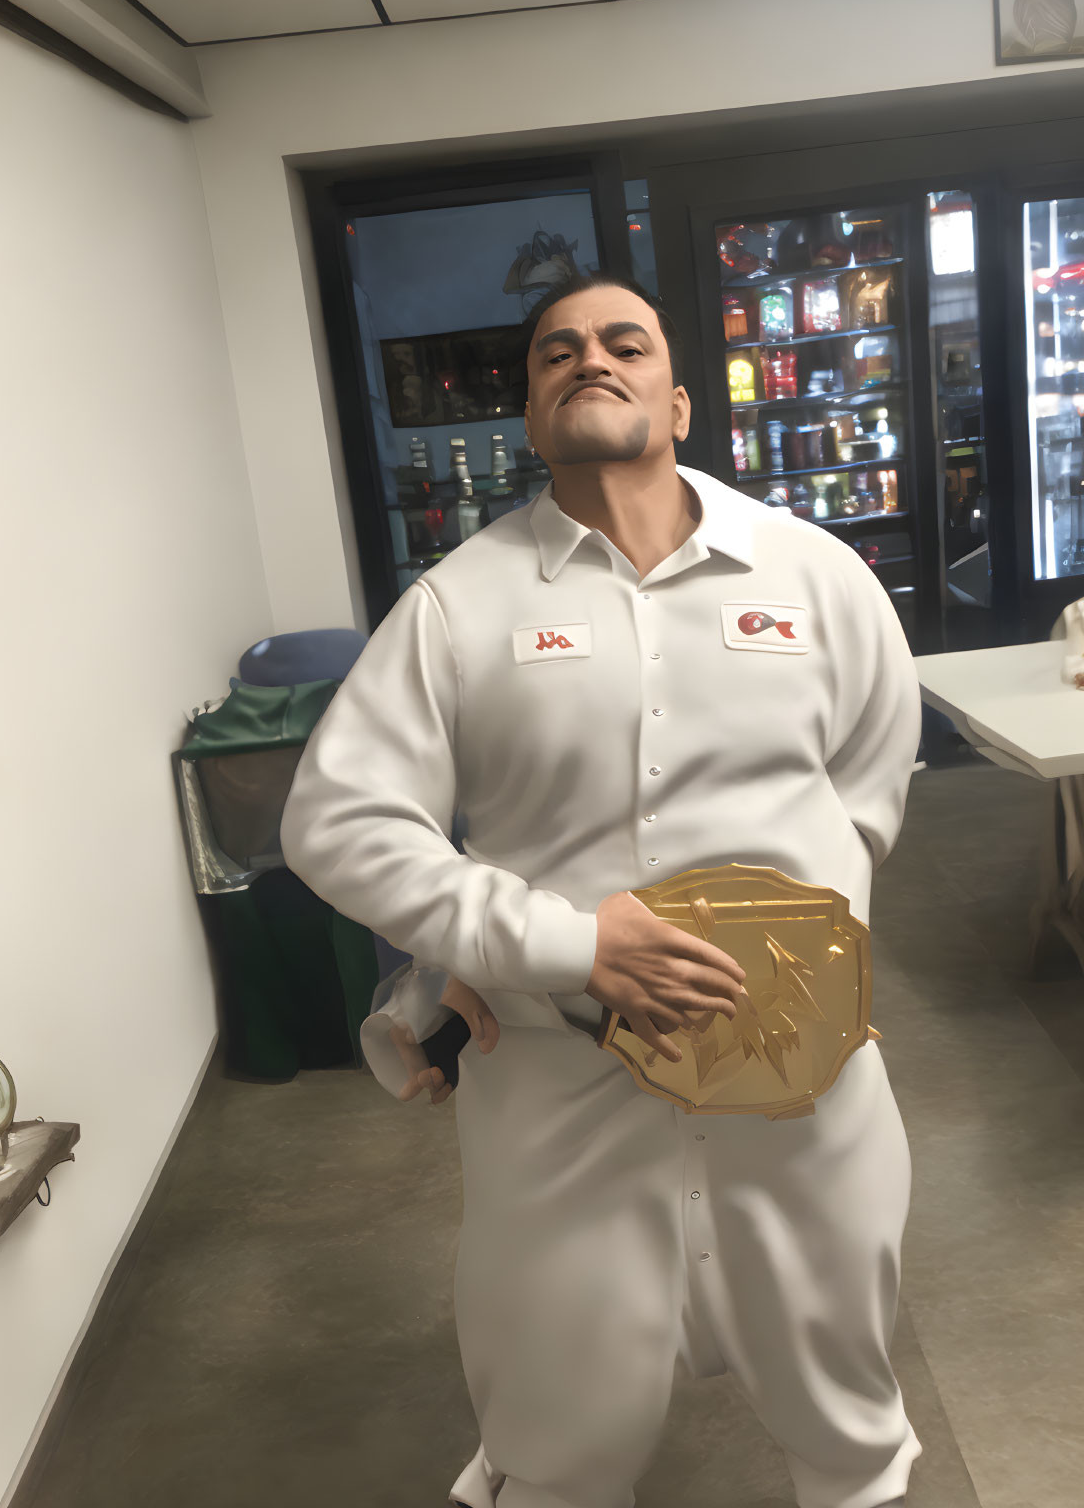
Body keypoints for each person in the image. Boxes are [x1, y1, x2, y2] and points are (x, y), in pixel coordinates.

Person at [280, 273, 922, 1508]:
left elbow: (865, 782)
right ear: (528, 414)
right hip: (558, 1086)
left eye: (623, 343)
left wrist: (788, 970)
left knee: (844, 1412)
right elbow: (340, 820)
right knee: (557, 1430)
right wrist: (556, 943)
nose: (592, 358)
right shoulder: (457, 607)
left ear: (677, 398)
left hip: (799, 1088)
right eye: (557, 351)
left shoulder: (815, 575)